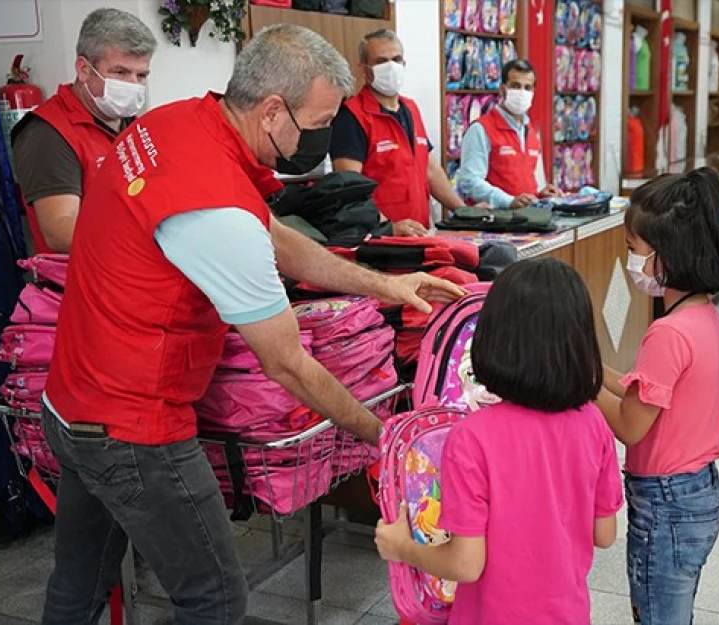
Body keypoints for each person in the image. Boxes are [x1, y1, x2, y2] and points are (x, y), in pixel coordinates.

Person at [39, 24, 466, 625]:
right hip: (134, 426)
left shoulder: (178, 123)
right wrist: (384, 434)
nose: (321, 136)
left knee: (79, 585)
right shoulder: (213, 206)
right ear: (272, 111)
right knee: (213, 597)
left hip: (72, 403)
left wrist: (385, 283)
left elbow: (278, 240)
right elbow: (287, 361)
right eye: (315, 123)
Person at [375, 257, 624, 625]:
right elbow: (604, 534)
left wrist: (403, 549)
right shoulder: (593, 423)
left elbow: (465, 564)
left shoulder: (472, 438)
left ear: (492, 340)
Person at [595, 168, 719, 625]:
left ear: (665, 254)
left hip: (666, 501)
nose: (630, 261)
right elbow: (645, 391)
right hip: (696, 490)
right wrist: (594, 369)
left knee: (658, 614)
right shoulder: (704, 317)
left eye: (633, 251)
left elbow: (631, 423)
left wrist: (578, 382)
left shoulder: (668, 333)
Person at [11, 8, 155, 253]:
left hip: (131, 276)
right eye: (120, 72)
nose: (133, 85)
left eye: (141, 75)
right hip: (82, 281)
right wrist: (143, 246)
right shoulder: (48, 133)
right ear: (84, 70)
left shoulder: (132, 122)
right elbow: (60, 230)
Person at [330, 29, 477, 238]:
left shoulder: (410, 109)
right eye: (381, 61)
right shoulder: (352, 116)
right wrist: (387, 227)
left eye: (396, 59)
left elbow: (429, 168)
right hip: (380, 240)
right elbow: (349, 188)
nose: (391, 67)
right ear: (363, 68)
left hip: (419, 235)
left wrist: (464, 212)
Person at [458, 59, 562, 208]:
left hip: (527, 220)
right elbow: (470, 181)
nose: (522, 92)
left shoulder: (530, 131)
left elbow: (523, 182)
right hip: (495, 223)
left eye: (527, 88)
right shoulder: (481, 129)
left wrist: (540, 194)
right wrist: (508, 201)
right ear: (502, 89)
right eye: (515, 86)